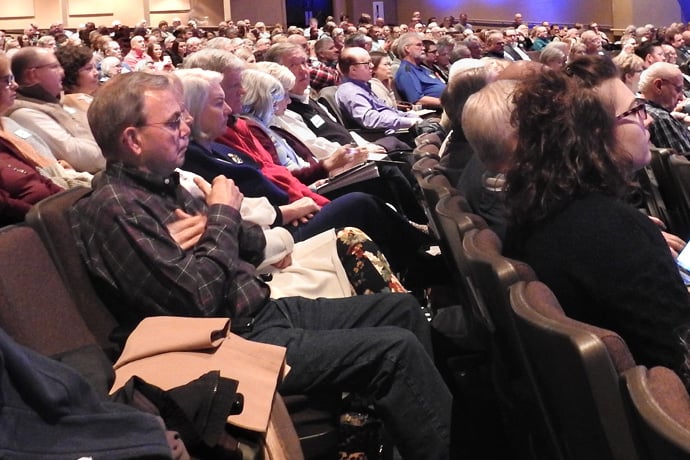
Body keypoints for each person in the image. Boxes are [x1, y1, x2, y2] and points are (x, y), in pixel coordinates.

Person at [71, 71, 452, 460]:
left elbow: (250, 245)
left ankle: (419, 431)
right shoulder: (116, 207)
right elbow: (197, 298)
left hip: (261, 310)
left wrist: (215, 224)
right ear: (133, 139)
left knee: (401, 310)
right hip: (228, 341)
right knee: (394, 351)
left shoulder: (166, 183)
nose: (186, 126)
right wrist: (221, 213)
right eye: (173, 121)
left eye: (185, 115)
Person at [503, 56, 690, 383]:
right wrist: (639, 239)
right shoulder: (612, 232)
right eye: (635, 111)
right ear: (595, 132)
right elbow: (679, 354)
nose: (647, 122)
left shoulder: (545, 207)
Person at [6, 47, 104, 173]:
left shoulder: (48, 103)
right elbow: (86, 159)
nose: (62, 72)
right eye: (54, 67)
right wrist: (114, 149)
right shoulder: (23, 113)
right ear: (32, 74)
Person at [336, 46, 422, 131]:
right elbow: (370, 120)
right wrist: (409, 122)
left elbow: (387, 111)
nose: (372, 65)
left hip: (395, 131)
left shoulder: (363, 87)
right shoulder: (351, 92)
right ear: (353, 69)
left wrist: (409, 116)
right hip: (385, 137)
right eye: (367, 63)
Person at [639, 61, 690, 152]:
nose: (681, 98)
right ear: (658, 86)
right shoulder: (661, 118)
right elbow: (685, 162)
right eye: (678, 89)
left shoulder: (638, 108)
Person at [395, 32, 446, 107]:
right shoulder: (406, 71)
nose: (423, 48)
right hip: (437, 111)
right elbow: (418, 100)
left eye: (422, 45)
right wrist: (448, 103)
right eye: (419, 45)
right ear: (407, 48)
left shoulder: (422, 68)